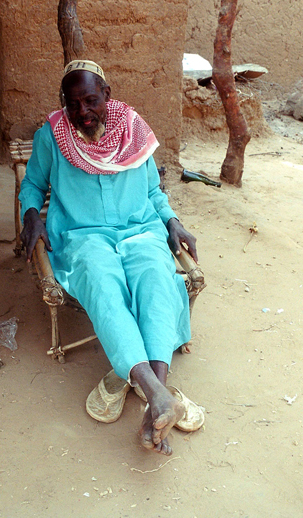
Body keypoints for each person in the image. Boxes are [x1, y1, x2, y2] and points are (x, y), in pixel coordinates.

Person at [19, 60, 198, 456]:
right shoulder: (52, 135)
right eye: (73, 104)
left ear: (107, 96)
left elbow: (153, 192)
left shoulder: (133, 128)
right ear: (63, 105)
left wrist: (172, 221)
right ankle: (158, 393)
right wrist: (32, 214)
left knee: (156, 280)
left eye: (91, 100)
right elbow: (32, 184)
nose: (83, 112)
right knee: (103, 287)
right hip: (85, 238)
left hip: (141, 231)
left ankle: (155, 395)